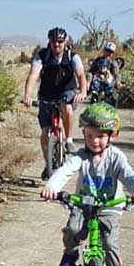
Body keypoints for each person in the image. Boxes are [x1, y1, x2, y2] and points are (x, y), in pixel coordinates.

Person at [41, 103, 134, 266]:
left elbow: (129, 176)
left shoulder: (116, 157)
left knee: (109, 245)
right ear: (83, 134)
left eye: (99, 136)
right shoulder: (81, 156)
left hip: (109, 207)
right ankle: (70, 253)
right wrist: (52, 186)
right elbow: (65, 171)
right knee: (73, 230)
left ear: (112, 135)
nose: (94, 141)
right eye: (89, 136)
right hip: (83, 205)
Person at [24, 27, 87, 180]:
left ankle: (69, 140)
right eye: (53, 42)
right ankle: (48, 163)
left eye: (60, 42)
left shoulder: (72, 56)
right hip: (47, 94)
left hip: (67, 91)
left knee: (65, 105)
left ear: (65, 42)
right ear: (49, 42)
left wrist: (83, 91)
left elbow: (81, 75)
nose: (56, 45)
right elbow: (33, 75)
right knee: (45, 132)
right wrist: (27, 95)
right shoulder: (42, 56)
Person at [87, 42, 122, 107]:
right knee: (93, 96)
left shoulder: (113, 63)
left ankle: (113, 112)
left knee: (114, 97)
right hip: (98, 81)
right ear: (104, 50)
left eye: (110, 52)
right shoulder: (97, 61)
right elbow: (91, 71)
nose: (108, 53)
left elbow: (117, 73)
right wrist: (88, 82)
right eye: (107, 50)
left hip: (109, 83)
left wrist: (118, 81)